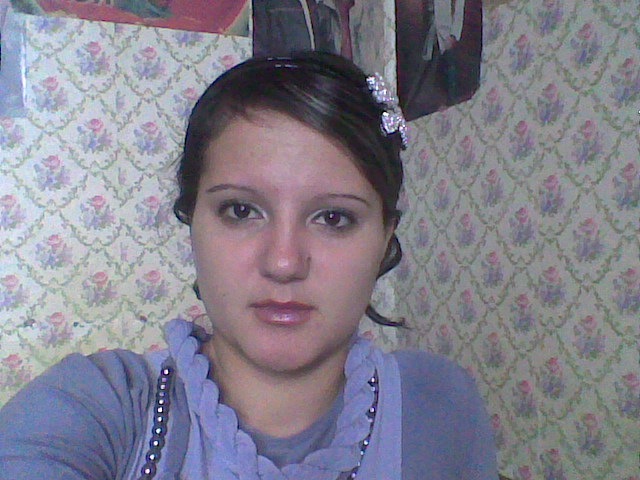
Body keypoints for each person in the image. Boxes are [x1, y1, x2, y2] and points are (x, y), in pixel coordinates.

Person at [0, 51, 497, 479]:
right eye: (241, 211)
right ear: (191, 219)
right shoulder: (99, 406)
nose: (283, 263)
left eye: (333, 218)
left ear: (385, 237)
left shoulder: (437, 406)